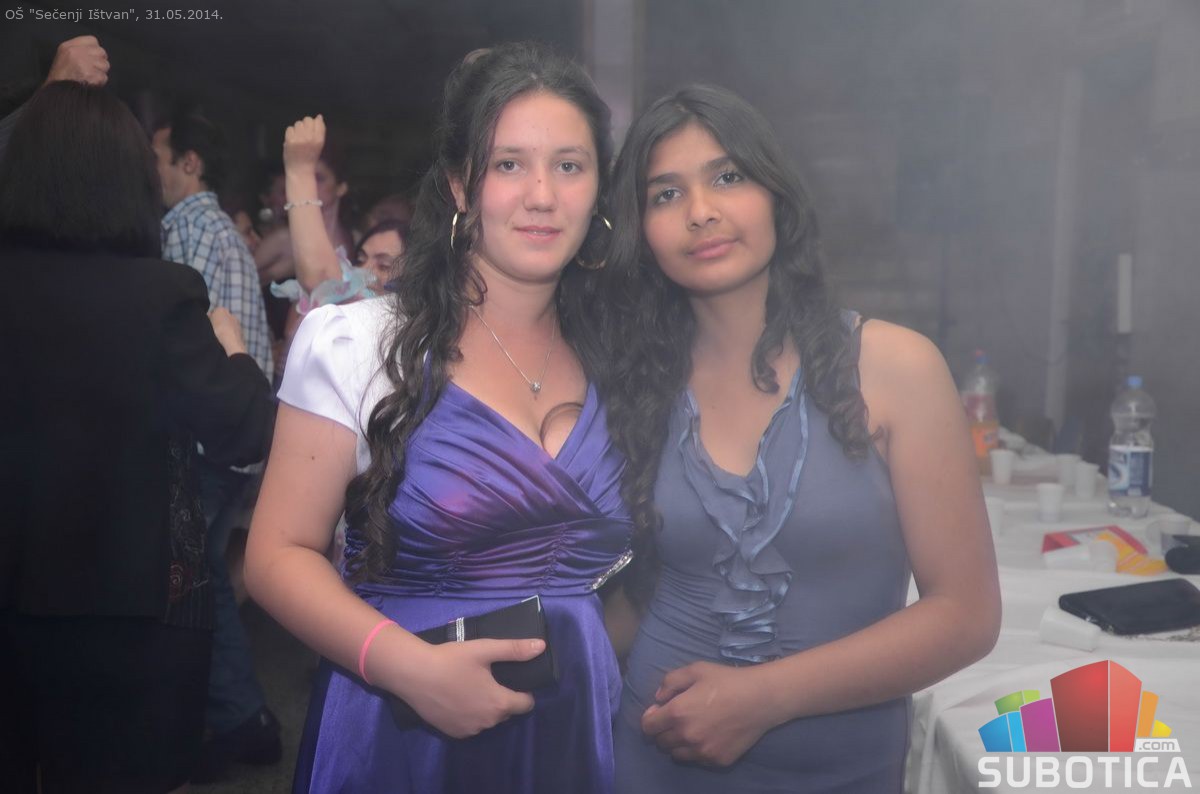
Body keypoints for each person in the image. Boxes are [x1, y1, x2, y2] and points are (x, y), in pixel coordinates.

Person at [244, 43, 630, 794]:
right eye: (509, 164)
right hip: (403, 730)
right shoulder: (362, 344)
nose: (542, 195)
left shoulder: (619, 361)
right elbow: (276, 555)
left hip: (573, 731)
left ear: (599, 188)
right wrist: (409, 669)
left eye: (569, 165)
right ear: (459, 183)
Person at [599, 85, 1001, 792]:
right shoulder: (636, 384)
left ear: (776, 194)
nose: (700, 211)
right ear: (641, 229)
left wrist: (762, 697)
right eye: (665, 194)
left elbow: (965, 617)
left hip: (840, 771)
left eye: (728, 176)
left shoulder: (894, 366)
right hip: (652, 755)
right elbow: (640, 591)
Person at [0, 81, 274, 794]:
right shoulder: (162, 295)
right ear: (129, 181)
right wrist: (236, 351)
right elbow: (244, 430)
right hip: (131, 608)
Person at [151, 110, 280, 781]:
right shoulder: (218, 230)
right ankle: (239, 719)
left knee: (184, 585)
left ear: (190, 162)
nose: (149, 170)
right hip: (232, 436)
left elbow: (177, 337)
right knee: (202, 581)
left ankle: (229, 720)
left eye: (158, 156)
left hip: (208, 440)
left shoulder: (192, 227)